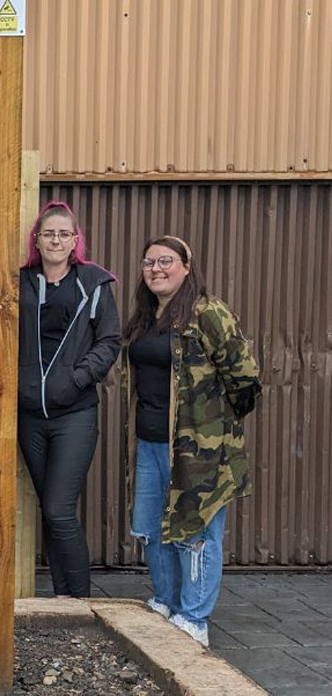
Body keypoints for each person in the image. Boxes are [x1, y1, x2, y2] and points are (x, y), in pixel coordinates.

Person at [125, 235, 260, 647]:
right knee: (152, 528)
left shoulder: (208, 312)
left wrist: (213, 429)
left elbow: (246, 378)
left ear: (187, 266)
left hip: (198, 450)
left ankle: (194, 618)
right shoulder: (147, 316)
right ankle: (166, 601)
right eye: (149, 262)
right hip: (151, 442)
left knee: (195, 532)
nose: (156, 269)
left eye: (166, 261)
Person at [17, 201, 121, 598]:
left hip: (74, 413)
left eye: (64, 234)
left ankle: (79, 600)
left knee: (59, 509)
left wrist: (76, 379)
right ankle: (62, 598)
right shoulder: (21, 283)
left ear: (75, 241)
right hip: (30, 416)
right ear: (37, 241)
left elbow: (109, 340)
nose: (56, 240)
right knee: (50, 510)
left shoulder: (93, 283)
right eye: (49, 233)